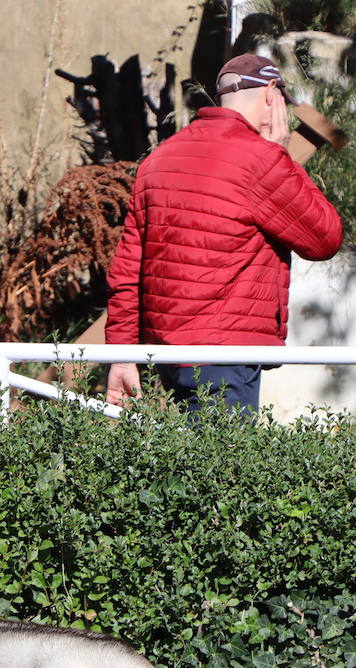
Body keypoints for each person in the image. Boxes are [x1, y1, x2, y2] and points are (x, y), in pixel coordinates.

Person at [103, 53, 343, 413]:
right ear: (271, 95)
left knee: (181, 466)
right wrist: (283, 156)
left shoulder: (159, 159)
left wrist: (122, 357)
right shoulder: (261, 159)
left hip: (167, 356)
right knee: (222, 467)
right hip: (227, 354)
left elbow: (126, 270)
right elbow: (324, 238)